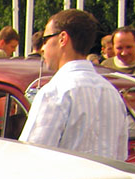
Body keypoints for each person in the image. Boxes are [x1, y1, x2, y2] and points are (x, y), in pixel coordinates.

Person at [20, 9, 128, 160]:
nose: (43, 48)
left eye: (45, 39)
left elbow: (31, 156)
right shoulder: (112, 93)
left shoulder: (54, 92)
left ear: (63, 38)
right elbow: (121, 157)